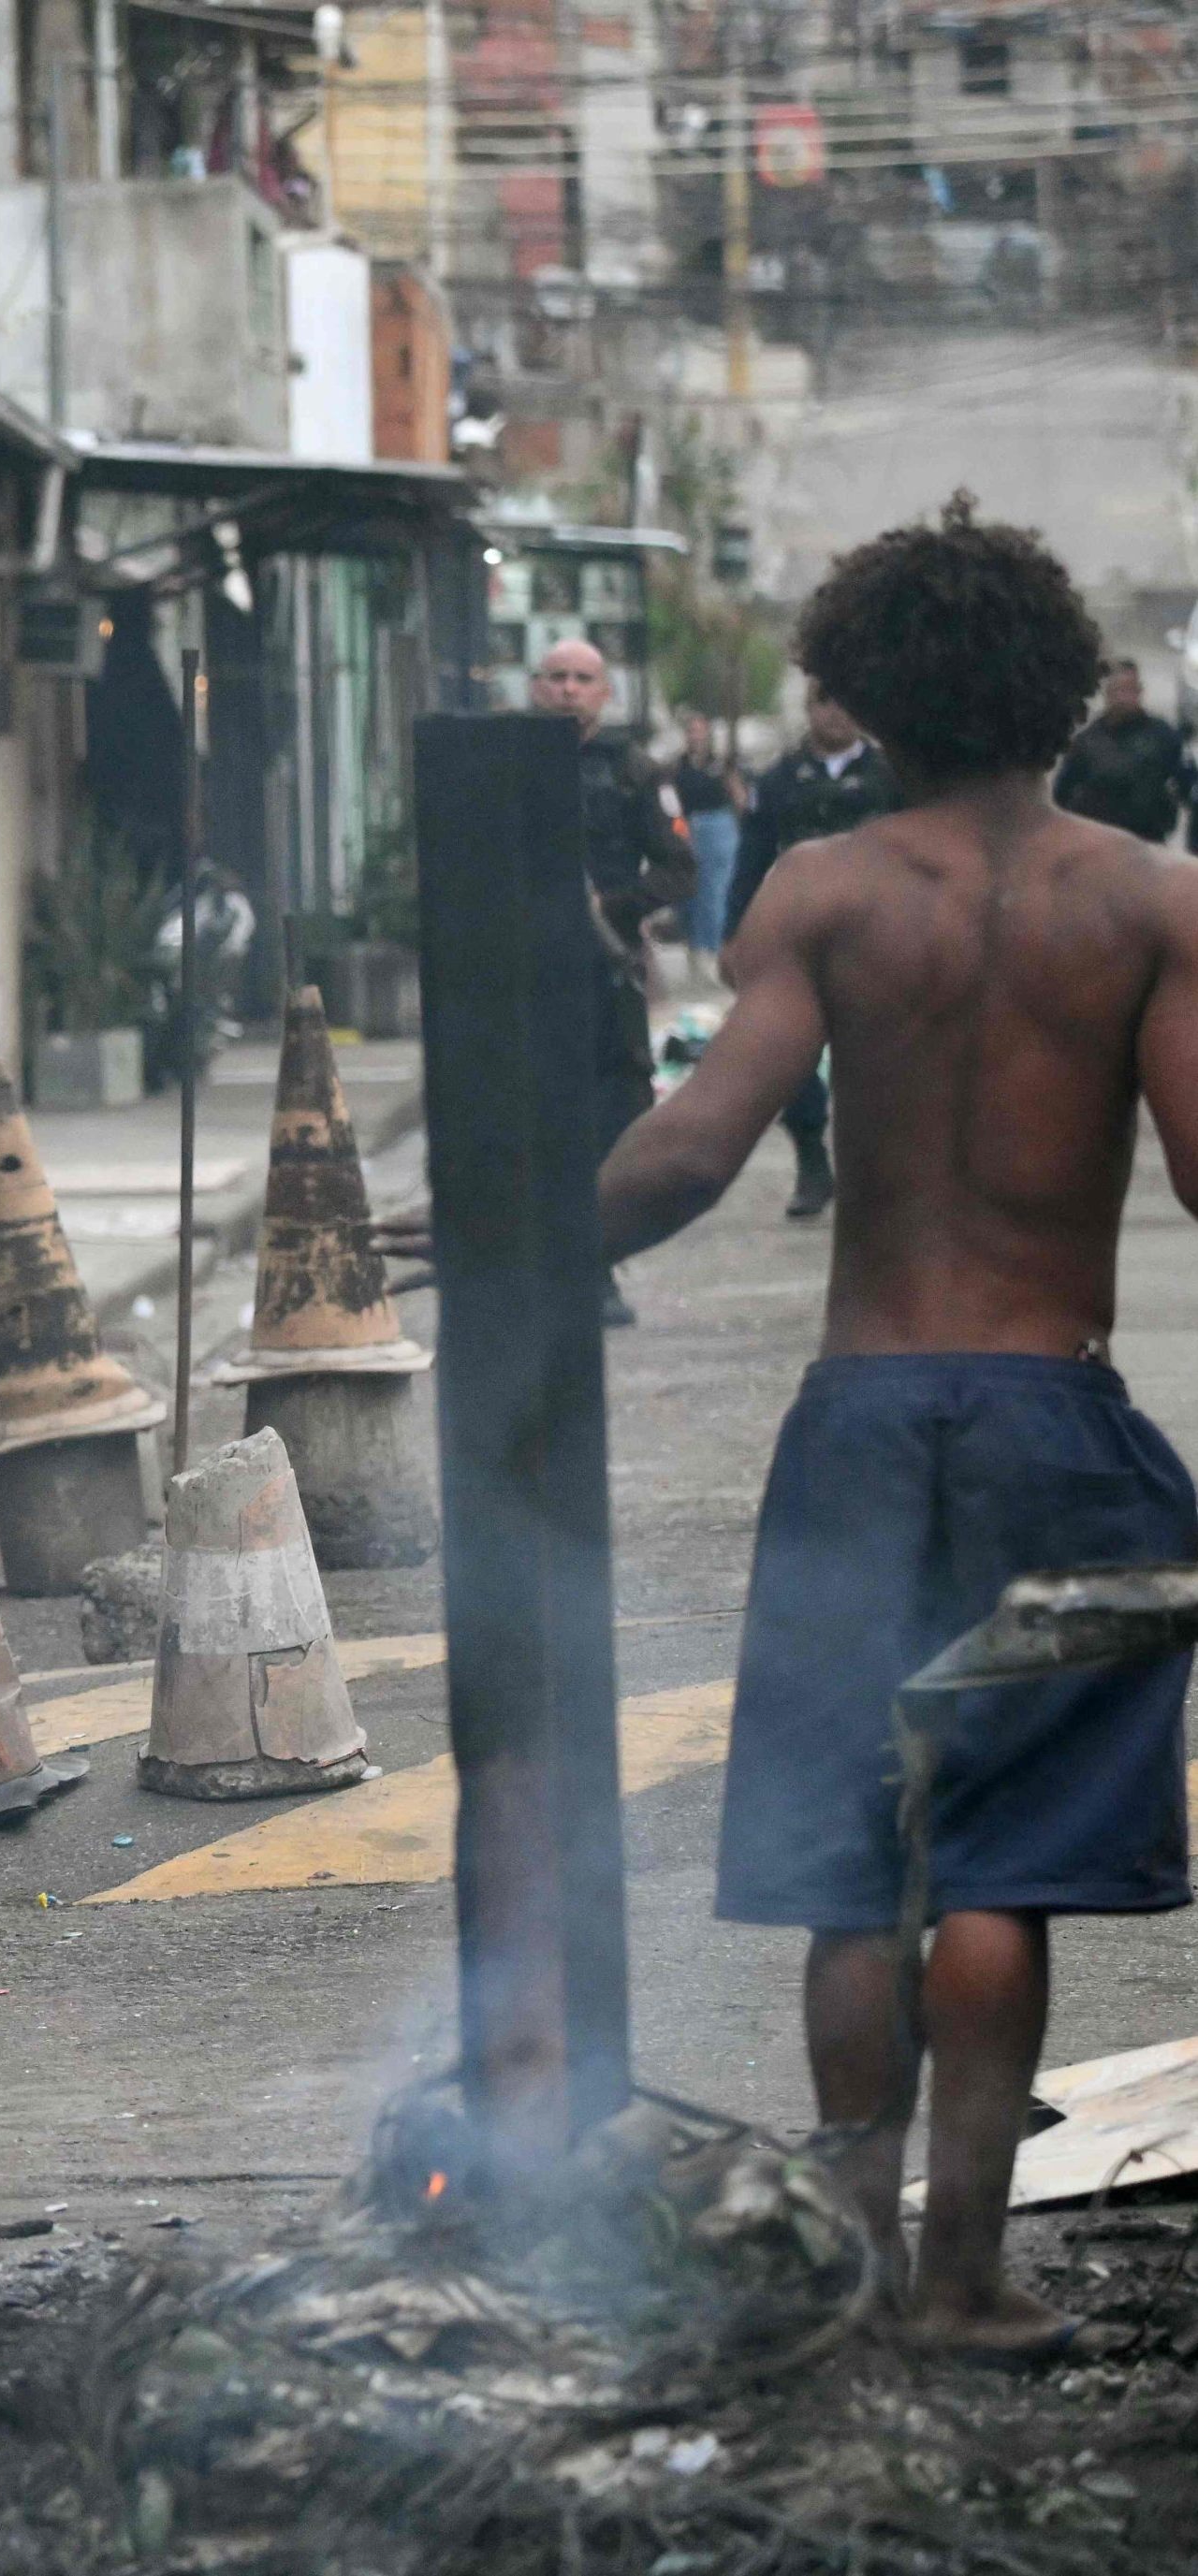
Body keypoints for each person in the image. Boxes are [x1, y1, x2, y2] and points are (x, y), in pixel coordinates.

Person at [597, 496, 1198, 2365]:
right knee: (1000, 1858)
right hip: (1055, 1437)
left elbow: (690, 1148)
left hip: (858, 1431)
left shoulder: (821, 894)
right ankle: (963, 2277)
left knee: (854, 1861)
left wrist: (513, 1230)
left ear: (857, 693)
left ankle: (849, 2266)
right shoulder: (1146, 900)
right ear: (1050, 691)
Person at [529, 637, 695, 1326]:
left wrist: (616, 908)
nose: (569, 689)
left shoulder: (635, 769)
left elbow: (679, 869)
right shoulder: (510, 762)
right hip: (527, 973)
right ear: (538, 687)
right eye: (557, 677)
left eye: (583, 678)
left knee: (611, 1121)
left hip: (607, 971)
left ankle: (596, 1266)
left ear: (605, 692)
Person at [733, 689, 898, 1221]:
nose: (838, 711)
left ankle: (875, 1174)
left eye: (847, 700)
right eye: (826, 700)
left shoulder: (892, 777)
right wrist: (733, 935)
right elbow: (752, 858)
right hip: (800, 937)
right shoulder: (779, 780)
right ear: (809, 708)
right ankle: (811, 1159)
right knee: (793, 1055)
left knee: (878, 1057)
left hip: (879, 934)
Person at [1051, 657, 1190, 848]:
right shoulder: (1087, 742)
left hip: (1147, 843)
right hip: (1096, 844)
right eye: (1119, 690)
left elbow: (1187, 786)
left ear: (1140, 692)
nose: (1124, 697)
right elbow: (1062, 795)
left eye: (1130, 690)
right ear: (1107, 694)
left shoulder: (1163, 737)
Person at [671, 710, 745, 968]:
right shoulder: (677, 767)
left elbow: (738, 797)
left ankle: (713, 950)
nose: (696, 736)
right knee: (689, 891)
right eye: (691, 731)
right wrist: (680, 832)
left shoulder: (721, 764)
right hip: (689, 826)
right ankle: (694, 946)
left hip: (719, 826)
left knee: (716, 890)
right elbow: (671, 805)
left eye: (700, 731)